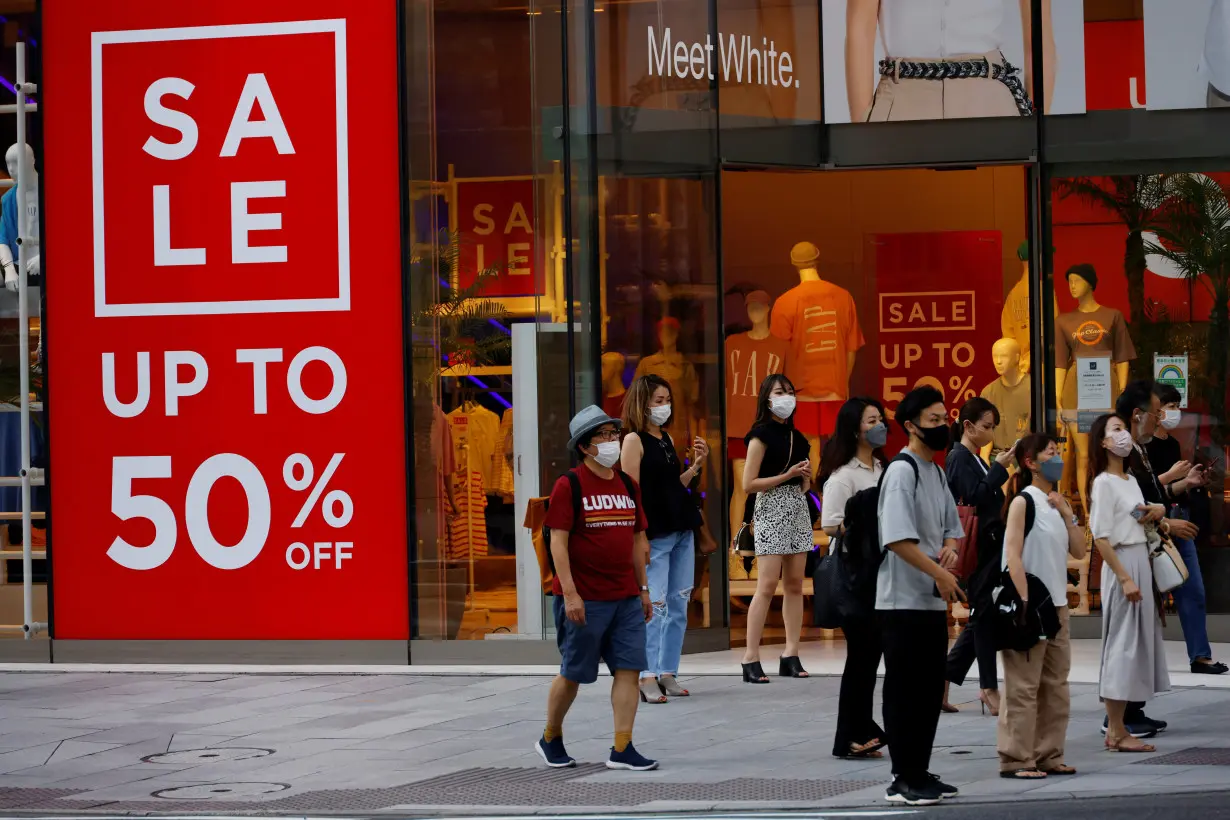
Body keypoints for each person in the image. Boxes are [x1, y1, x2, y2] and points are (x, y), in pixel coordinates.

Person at [535, 405, 658, 772]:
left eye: (613, 434)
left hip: (625, 597)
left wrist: (644, 589)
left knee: (629, 669)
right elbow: (558, 542)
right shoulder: (568, 484)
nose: (612, 441)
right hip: (585, 598)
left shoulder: (627, 485)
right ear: (586, 446)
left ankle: (623, 747)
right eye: (604, 436)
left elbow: (638, 541)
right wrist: (570, 594)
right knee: (574, 672)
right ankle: (550, 737)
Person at [876, 385, 965, 806]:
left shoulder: (938, 470)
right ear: (910, 426)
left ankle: (919, 770)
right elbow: (895, 538)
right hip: (901, 601)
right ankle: (903, 776)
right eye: (933, 420)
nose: (942, 425)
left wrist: (949, 547)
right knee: (905, 689)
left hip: (930, 598)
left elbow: (951, 523)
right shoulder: (901, 471)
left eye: (944, 418)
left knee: (930, 690)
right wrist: (940, 574)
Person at [1110, 381, 1199, 737]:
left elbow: (1152, 495)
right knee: (1129, 638)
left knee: (1144, 635)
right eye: (1155, 411)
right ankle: (1118, 716)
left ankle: (1134, 708)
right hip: (1129, 554)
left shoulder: (1141, 450)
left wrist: (1179, 488)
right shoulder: (1121, 454)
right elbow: (1128, 507)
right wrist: (1165, 520)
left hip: (1144, 550)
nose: (1159, 418)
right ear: (1137, 414)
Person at [997, 434, 1085, 779]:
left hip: (1057, 607)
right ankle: (1017, 758)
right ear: (1031, 463)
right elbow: (1013, 555)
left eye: (1058, 451)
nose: (1058, 457)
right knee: (1022, 687)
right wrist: (1023, 602)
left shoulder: (1056, 503)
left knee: (1055, 686)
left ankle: (1049, 754)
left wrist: (1068, 514)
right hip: (1031, 606)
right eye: (1051, 453)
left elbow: (1078, 551)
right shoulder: (1023, 501)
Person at [619, 375, 709, 703]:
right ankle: (646, 674)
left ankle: (667, 670)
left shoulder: (666, 438)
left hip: (681, 529)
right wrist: (639, 535)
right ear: (642, 403)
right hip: (655, 533)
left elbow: (673, 485)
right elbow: (633, 492)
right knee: (654, 606)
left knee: (678, 605)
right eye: (658, 400)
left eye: (667, 399)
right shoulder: (633, 440)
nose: (664, 406)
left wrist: (697, 465)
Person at [1087, 413, 1170, 754]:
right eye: (1116, 430)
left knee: (1135, 644)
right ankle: (1116, 729)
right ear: (1103, 442)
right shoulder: (1103, 482)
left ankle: (1121, 726)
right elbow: (1101, 536)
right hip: (1121, 563)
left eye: (1124, 429)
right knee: (1121, 645)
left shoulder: (1130, 479)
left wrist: (1157, 511)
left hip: (1139, 558)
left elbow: (1136, 515)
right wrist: (1123, 577)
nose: (1123, 435)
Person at [844, 0, 1056, 122]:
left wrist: (1039, 128)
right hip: (900, 96)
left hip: (989, 98)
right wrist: (859, 126)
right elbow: (859, 30)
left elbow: (1039, 37)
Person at [819, 397, 889, 759]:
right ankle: (850, 735)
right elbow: (830, 524)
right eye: (871, 420)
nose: (879, 425)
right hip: (855, 576)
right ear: (854, 428)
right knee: (861, 659)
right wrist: (858, 522)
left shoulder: (883, 468)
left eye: (880, 418)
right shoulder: (843, 475)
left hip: (881, 574)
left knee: (869, 658)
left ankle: (859, 732)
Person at [1147, 383, 1226, 676]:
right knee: (1149, 595)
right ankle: (1146, 660)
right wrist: (1172, 478)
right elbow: (1146, 491)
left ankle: (1200, 656)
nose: (1174, 412)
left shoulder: (1170, 444)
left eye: (1177, 405)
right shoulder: (1138, 447)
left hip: (1180, 517)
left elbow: (1169, 490)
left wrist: (1190, 481)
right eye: (1169, 405)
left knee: (1192, 588)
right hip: (1154, 523)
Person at [740, 374, 814, 683]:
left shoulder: (799, 436)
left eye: (790, 391)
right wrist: (788, 476)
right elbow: (748, 484)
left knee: (795, 584)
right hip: (769, 508)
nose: (786, 397)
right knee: (767, 585)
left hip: (797, 507)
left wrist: (805, 479)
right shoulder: (759, 436)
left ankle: (791, 653)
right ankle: (750, 657)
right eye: (780, 392)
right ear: (766, 399)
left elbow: (805, 480)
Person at [942, 397, 1012, 716]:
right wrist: (1000, 469)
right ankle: (987, 687)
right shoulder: (959, 457)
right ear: (968, 426)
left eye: (993, 427)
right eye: (986, 426)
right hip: (978, 548)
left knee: (981, 618)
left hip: (990, 546)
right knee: (983, 617)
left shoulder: (974, 457)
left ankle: (941, 679)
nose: (990, 433)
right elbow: (975, 497)